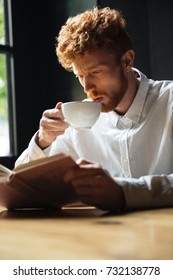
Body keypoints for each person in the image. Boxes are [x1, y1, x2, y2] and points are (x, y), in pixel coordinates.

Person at [15, 6, 173, 211]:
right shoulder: (78, 120)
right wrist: (43, 141)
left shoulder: (169, 101)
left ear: (126, 61)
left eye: (96, 72)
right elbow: (20, 187)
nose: (87, 88)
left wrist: (124, 192)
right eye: (80, 76)